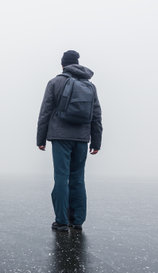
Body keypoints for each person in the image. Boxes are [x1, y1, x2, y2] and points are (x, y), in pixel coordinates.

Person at [36, 50, 103, 232]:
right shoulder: (90, 85)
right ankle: (77, 221)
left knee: (61, 178)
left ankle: (62, 221)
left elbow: (45, 112)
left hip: (60, 137)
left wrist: (40, 139)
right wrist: (96, 142)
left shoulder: (55, 82)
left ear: (62, 65)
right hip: (82, 138)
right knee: (78, 179)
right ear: (78, 63)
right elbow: (96, 116)